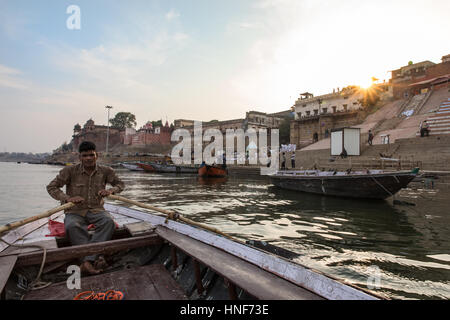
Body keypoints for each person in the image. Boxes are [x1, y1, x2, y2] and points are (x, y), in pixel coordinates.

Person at [47, 141, 125, 275]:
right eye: (85, 156)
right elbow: (52, 187)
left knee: (109, 222)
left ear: (97, 155)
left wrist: (111, 191)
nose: (88, 158)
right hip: (75, 211)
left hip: (97, 210)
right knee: (72, 226)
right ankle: (93, 259)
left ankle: (86, 261)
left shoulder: (106, 171)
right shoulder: (69, 171)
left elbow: (120, 184)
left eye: (91, 155)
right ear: (80, 157)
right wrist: (67, 198)